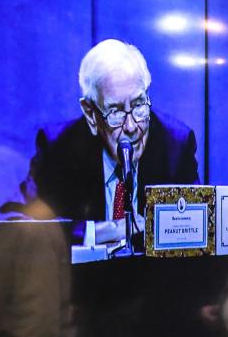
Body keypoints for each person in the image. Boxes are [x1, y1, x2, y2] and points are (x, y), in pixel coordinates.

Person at [23, 39, 199, 241]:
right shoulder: (58, 146)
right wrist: (97, 232)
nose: (131, 126)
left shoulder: (175, 144)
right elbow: (18, 222)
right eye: (115, 111)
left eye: (139, 105)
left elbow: (194, 226)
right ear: (91, 114)